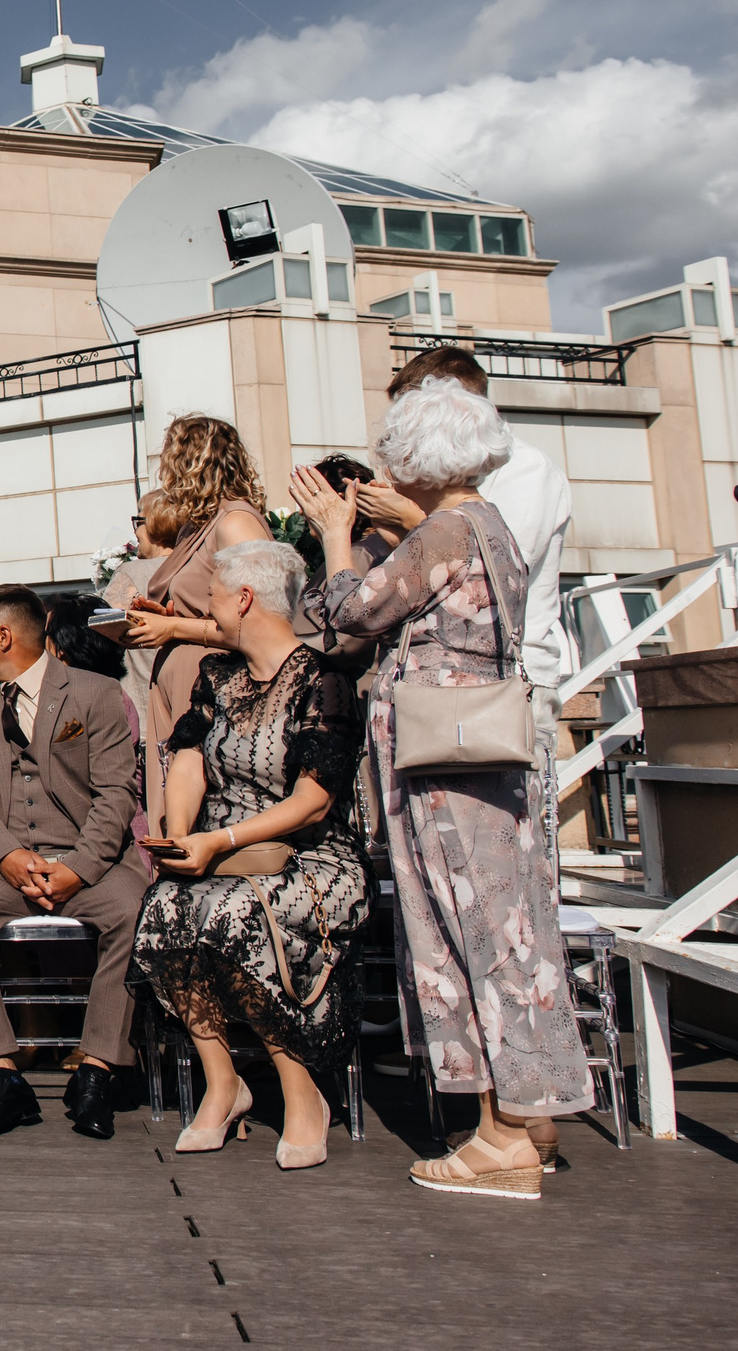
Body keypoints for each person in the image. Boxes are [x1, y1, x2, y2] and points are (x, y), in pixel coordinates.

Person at [294, 378, 592, 1198]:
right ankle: (531, 1114)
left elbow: (351, 612)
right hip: (488, 749)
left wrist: (335, 535)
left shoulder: (443, 532)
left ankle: (500, 1137)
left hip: (441, 757)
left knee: (464, 929)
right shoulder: (487, 523)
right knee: (512, 931)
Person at [133, 542, 368, 1172]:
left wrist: (220, 841)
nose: (205, 610)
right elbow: (187, 759)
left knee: (237, 912)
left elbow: (314, 802)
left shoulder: (325, 682)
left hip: (310, 859)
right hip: (222, 852)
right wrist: (182, 834)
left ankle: (300, 1091)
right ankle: (223, 1080)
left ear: (243, 599)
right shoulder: (218, 677)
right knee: (163, 908)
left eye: (212, 597)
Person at [0, 585, 147, 1142]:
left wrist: (81, 866)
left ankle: (97, 1069)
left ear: (5, 635)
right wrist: (7, 855)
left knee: (137, 912)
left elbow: (118, 793)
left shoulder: (98, 694)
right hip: (5, 862)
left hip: (89, 860)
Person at [374, 346, 576, 839]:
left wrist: (406, 523)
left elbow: (496, 571)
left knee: (507, 845)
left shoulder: (528, 468)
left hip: (507, 683)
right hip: (441, 688)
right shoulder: (442, 483)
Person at [125, 416, 273, 831]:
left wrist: (175, 630)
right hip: (181, 678)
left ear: (189, 464)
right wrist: (168, 617)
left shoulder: (236, 522)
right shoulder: (201, 524)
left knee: (199, 811)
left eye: (170, 460)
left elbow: (259, 626)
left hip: (214, 683)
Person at [103, 491, 178, 729]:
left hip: (147, 709)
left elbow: (100, 635)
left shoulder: (132, 574)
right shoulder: (197, 567)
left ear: (156, 523)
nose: (135, 531)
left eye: (139, 521)